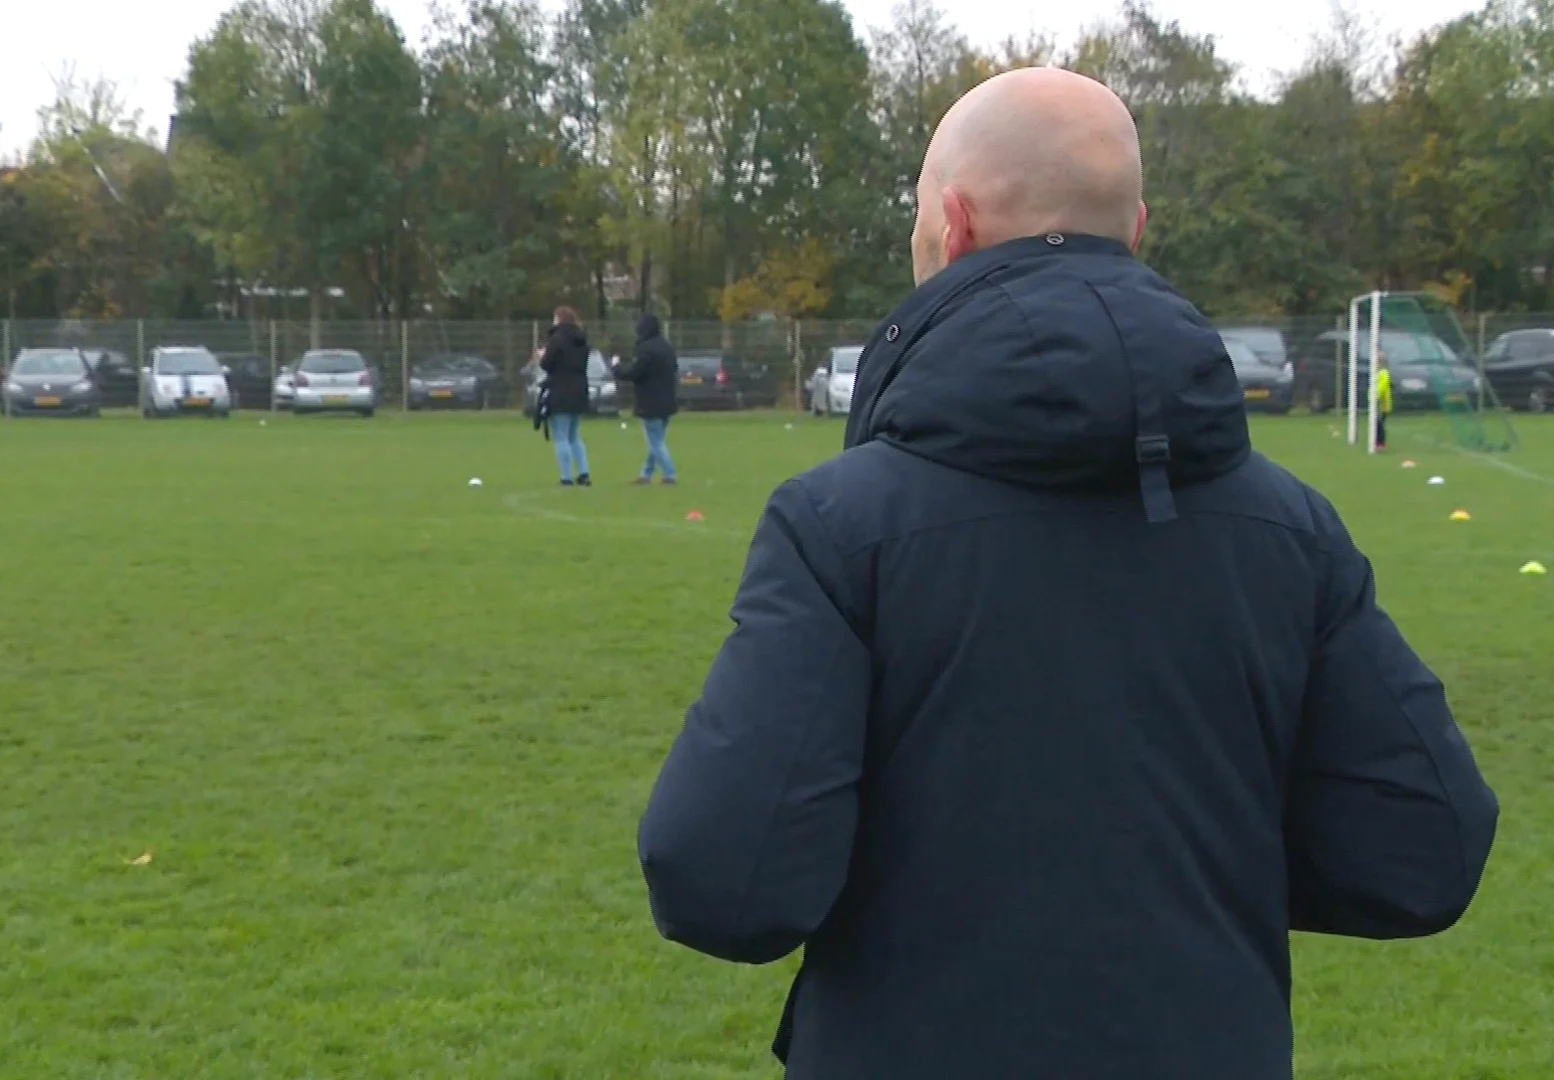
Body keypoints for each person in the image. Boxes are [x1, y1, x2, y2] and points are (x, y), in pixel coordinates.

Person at [636, 67, 1498, 1080]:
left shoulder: (841, 527)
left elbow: (720, 879)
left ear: (950, 227)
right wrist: (1190, 868)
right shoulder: (1291, 529)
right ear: (1135, 233)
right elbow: (1423, 839)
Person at [613, 313, 679, 485]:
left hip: (650, 401)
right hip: (667, 400)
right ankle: (646, 474)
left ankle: (670, 474)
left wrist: (617, 369)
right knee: (656, 441)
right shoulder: (667, 346)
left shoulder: (645, 349)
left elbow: (635, 372)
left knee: (655, 442)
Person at [539, 307, 592, 486]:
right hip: (579, 389)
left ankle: (566, 476)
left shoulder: (557, 339)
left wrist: (542, 356)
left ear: (559, 319)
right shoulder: (582, 339)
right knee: (574, 435)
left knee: (561, 436)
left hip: (560, 389)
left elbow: (547, 364)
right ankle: (584, 472)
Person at [1374, 353, 1393, 450]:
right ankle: (1377, 442)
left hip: (1383, 404)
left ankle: (1380, 443)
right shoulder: (1378, 373)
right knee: (1376, 424)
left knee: (1379, 424)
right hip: (1377, 402)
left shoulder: (1384, 373)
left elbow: (1382, 387)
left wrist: (1376, 396)